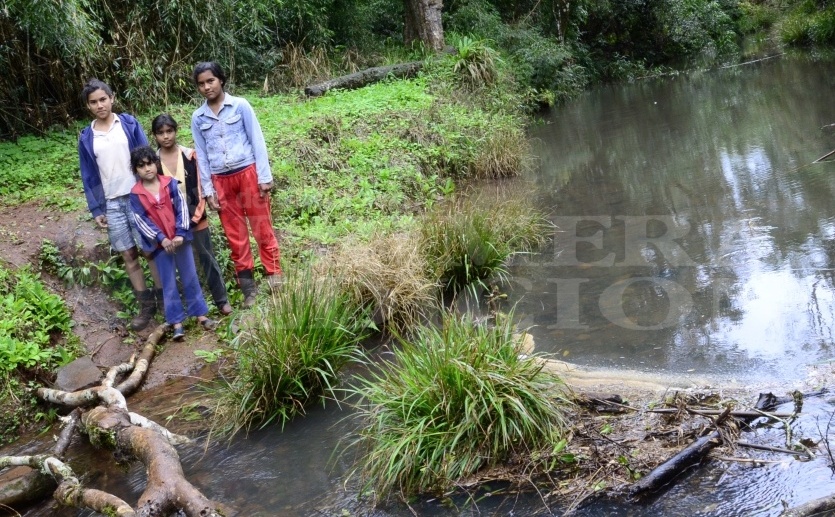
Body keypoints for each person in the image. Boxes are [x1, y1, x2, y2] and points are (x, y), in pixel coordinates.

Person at [190, 61, 281, 308]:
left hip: (248, 174)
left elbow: (257, 139)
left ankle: (275, 278)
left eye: (211, 81)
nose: (207, 87)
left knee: (262, 228)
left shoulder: (240, 106)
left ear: (221, 80)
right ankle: (248, 289)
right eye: (201, 84)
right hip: (221, 182)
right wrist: (208, 190)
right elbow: (202, 155)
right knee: (235, 236)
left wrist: (264, 176)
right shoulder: (198, 118)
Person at [77, 78, 161, 330]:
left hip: (138, 196)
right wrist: (96, 208)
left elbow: (147, 156)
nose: (100, 105)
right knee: (128, 254)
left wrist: (154, 190)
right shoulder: (87, 137)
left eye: (103, 99)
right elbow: (88, 175)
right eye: (94, 102)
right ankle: (146, 305)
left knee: (150, 249)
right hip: (112, 203)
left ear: (112, 98)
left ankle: (165, 298)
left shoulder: (128, 124)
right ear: (88, 106)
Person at [128, 146, 216, 340]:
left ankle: (200, 314)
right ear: (135, 170)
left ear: (156, 164)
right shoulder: (136, 194)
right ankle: (176, 321)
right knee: (168, 282)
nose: (147, 168)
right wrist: (162, 239)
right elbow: (141, 221)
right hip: (160, 246)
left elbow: (182, 208)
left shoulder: (170, 184)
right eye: (141, 166)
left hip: (180, 240)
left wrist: (180, 233)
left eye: (150, 163)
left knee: (190, 276)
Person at [152, 113, 233, 316]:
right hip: (170, 223)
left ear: (176, 131)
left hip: (196, 215)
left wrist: (196, 215)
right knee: (180, 265)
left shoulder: (190, 156)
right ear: (155, 136)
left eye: (169, 131)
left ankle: (221, 300)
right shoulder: (153, 163)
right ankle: (188, 309)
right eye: (160, 133)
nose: (166, 136)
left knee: (207, 257)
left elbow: (201, 184)